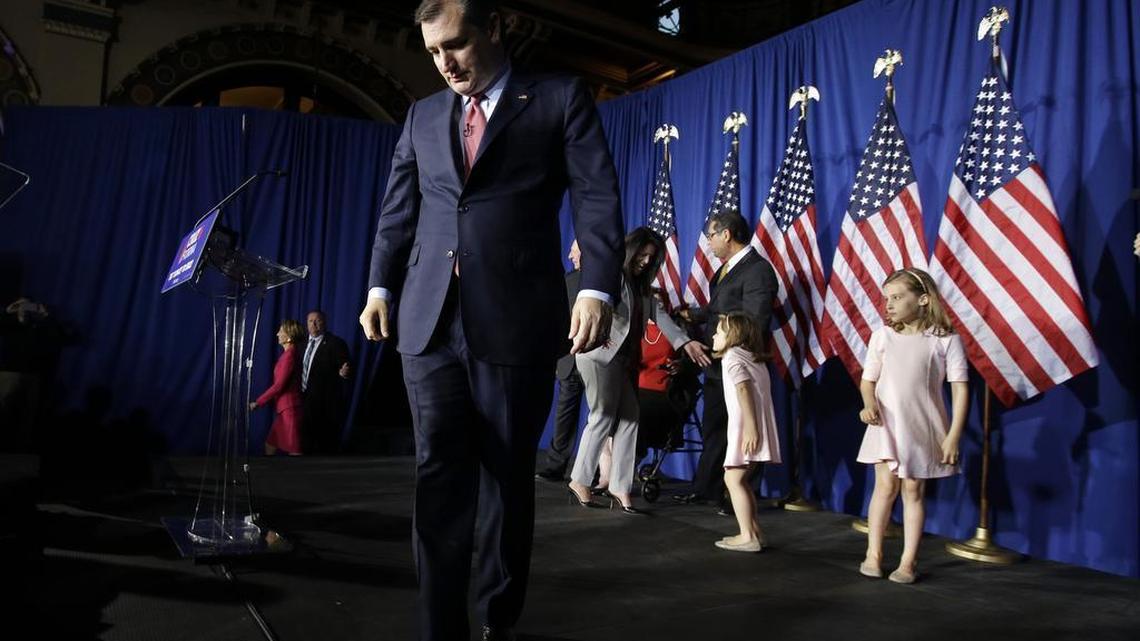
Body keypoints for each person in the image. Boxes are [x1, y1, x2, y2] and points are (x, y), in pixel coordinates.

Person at [357, 1, 625, 638]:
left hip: (514, 319)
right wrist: (379, 287)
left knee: (505, 482)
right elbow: (399, 210)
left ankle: (492, 627)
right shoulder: (422, 115)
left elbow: (596, 193)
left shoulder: (559, 98)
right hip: (427, 323)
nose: (444, 64)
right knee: (437, 477)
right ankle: (438, 628)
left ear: (496, 28)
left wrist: (596, 288)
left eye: (455, 45)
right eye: (431, 53)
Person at [568, 228, 695, 514]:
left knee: (630, 420)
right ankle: (580, 480)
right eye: (642, 254)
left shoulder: (642, 288)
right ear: (631, 250)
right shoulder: (612, 276)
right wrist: (600, 333)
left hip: (625, 360)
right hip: (598, 356)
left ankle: (620, 486)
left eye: (651, 257)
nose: (646, 261)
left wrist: (686, 342)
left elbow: (660, 316)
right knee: (603, 415)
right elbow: (594, 303)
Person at [856, 268, 968, 584]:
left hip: (923, 425)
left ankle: (908, 561)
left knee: (913, 489)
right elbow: (868, 381)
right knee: (885, 487)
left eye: (897, 297)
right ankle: (873, 554)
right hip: (886, 424)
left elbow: (960, 388)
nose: (888, 305)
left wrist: (953, 435)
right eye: (886, 299)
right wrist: (868, 404)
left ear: (922, 299)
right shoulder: (882, 336)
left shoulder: (945, 340)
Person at [673, 210, 778, 513]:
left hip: (740, 363)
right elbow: (722, 308)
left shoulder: (758, 270)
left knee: (746, 429)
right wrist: (692, 315)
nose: (708, 243)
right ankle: (707, 488)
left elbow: (754, 320)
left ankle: (740, 497)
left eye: (710, 236)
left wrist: (724, 343)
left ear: (727, 234)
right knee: (715, 426)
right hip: (717, 365)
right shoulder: (729, 269)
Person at [710, 312, 781, 552]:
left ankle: (748, 535)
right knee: (740, 479)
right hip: (755, 424)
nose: (713, 335)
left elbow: (743, 390)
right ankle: (754, 532)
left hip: (746, 425)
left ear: (732, 336)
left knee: (733, 478)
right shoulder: (752, 357)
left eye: (718, 332)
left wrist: (750, 428)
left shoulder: (731, 357)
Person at [536, 241, 585, 482]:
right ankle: (555, 466)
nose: (569, 254)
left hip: (600, 360)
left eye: (574, 250)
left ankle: (596, 473)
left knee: (602, 417)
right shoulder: (568, 280)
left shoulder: (608, 281)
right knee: (564, 414)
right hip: (569, 360)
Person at [250, 319, 305, 456]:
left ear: (289, 337)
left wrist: (258, 402)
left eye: (281, 331)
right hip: (284, 409)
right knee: (270, 444)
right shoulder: (290, 354)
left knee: (295, 451)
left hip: (289, 410)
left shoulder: (289, 356)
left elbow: (279, 385)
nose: (277, 334)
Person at [300, 310, 351, 455]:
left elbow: (345, 367)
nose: (314, 324)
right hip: (302, 399)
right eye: (310, 321)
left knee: (323, 445)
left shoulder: (336, 343)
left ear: (324, 322)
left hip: (324, 403)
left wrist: (344, 373)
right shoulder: (301, 344)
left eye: (317, 320)